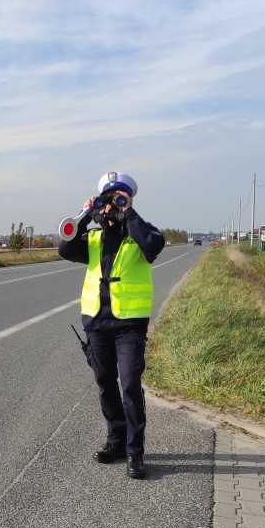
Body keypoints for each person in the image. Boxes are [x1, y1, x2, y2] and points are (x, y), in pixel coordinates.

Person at [58, 171, 165, 478]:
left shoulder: (141, 233)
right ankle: (115, 441)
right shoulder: (92, 237)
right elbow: (64, 249)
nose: (112, 206)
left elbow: (153, 246)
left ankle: (135, 452)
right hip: (97, 323)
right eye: (109, 200)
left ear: (129, 201)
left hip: (129, 325)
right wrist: (85, 214)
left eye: (119, 199)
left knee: (130, 385)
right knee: (105, 384)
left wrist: (128, 211)